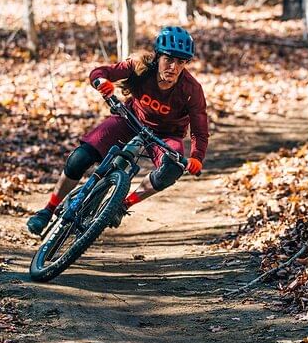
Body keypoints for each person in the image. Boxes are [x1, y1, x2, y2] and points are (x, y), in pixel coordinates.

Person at [26, 26, 209, 235]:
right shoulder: (140, 66)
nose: (174, 67)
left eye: (181, 62)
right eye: (168, 59)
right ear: (158, 56)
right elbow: (100, 72)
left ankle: (121, 206)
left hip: (165, 135)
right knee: (80, 157)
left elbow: (200, 131)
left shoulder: (192, 90)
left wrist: (197, 157)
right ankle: (48, 210)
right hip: (130, 119)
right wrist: (102, 82)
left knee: (172, 168)